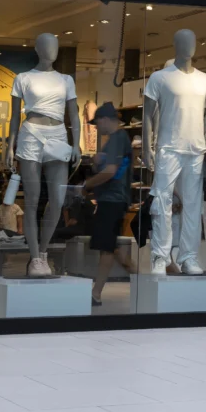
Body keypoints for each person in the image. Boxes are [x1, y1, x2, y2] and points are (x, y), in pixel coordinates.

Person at [83, 101, 136, 305]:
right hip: (113, 198)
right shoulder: (118, 140)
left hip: (113, 199)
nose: (97, 128)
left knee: (107, 246)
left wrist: (87, 185)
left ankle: (96, 293)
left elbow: (110, 172)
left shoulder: (116, 139)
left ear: (105, 120)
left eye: (97, 124)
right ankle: (141, 277)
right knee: (110, 245)